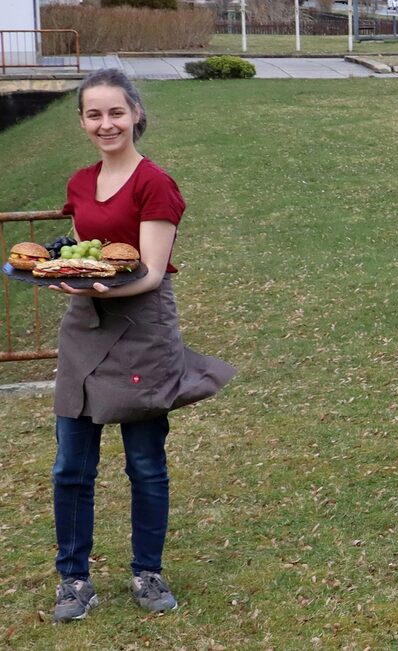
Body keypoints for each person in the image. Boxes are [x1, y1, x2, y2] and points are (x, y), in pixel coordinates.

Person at [48, 68, 236, 622]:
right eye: (93, 114)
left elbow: (150, 271)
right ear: (82, 121)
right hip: (85, 325)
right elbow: (87, 247)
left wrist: (107, 282)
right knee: (70, 467)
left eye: (115, 112)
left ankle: (147, 572)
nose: (106, 124)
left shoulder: (156, 182)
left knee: (145, 463)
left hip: (142, 325)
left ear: (135, 115)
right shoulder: (81, 183)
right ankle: (73, 581)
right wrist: (74, 276)